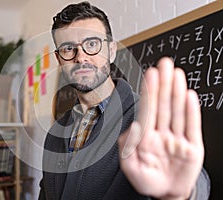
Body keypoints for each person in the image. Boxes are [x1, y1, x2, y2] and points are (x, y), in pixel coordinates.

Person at [39, 2, 210, 200]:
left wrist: (181, 192)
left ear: (112, 51)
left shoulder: (146, 120)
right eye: (69, 48)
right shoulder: (55, 134)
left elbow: (195, 182)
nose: (81, 58)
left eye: (92, 44)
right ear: (60, 59)